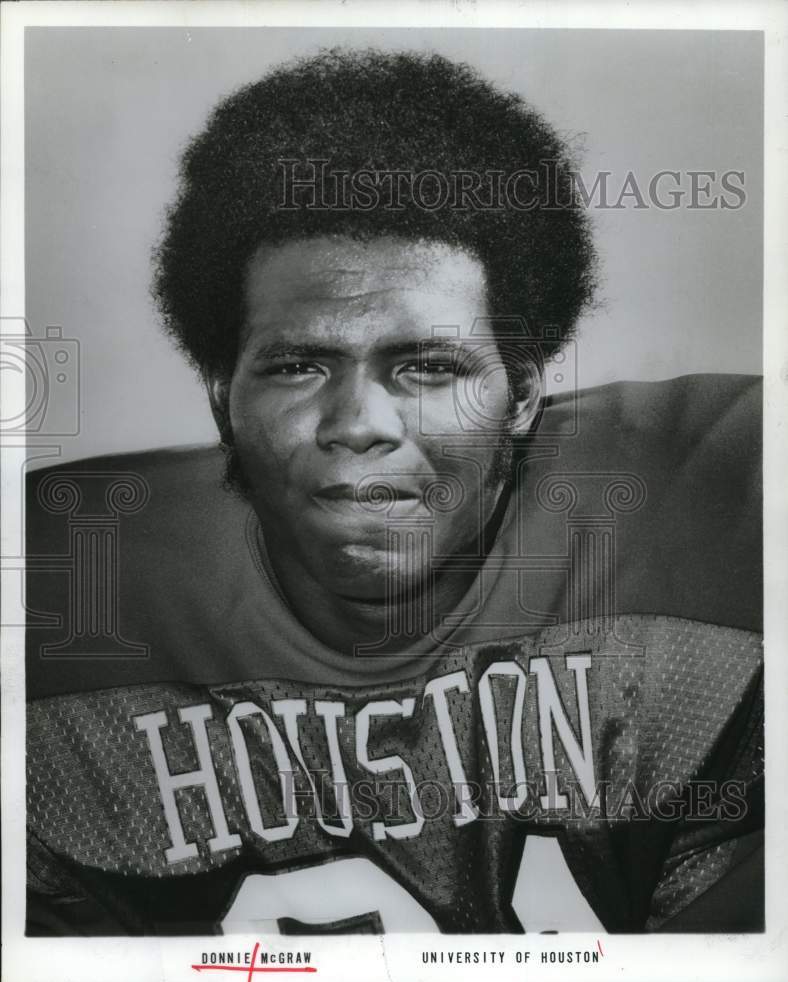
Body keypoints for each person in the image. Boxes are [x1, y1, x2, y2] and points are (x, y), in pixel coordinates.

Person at [25, 49, 762, 935]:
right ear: (223, 394)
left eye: (427, 366)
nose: (360, 420)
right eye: (299, 366)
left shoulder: (718, 498)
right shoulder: (72, 585)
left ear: (522, 392)